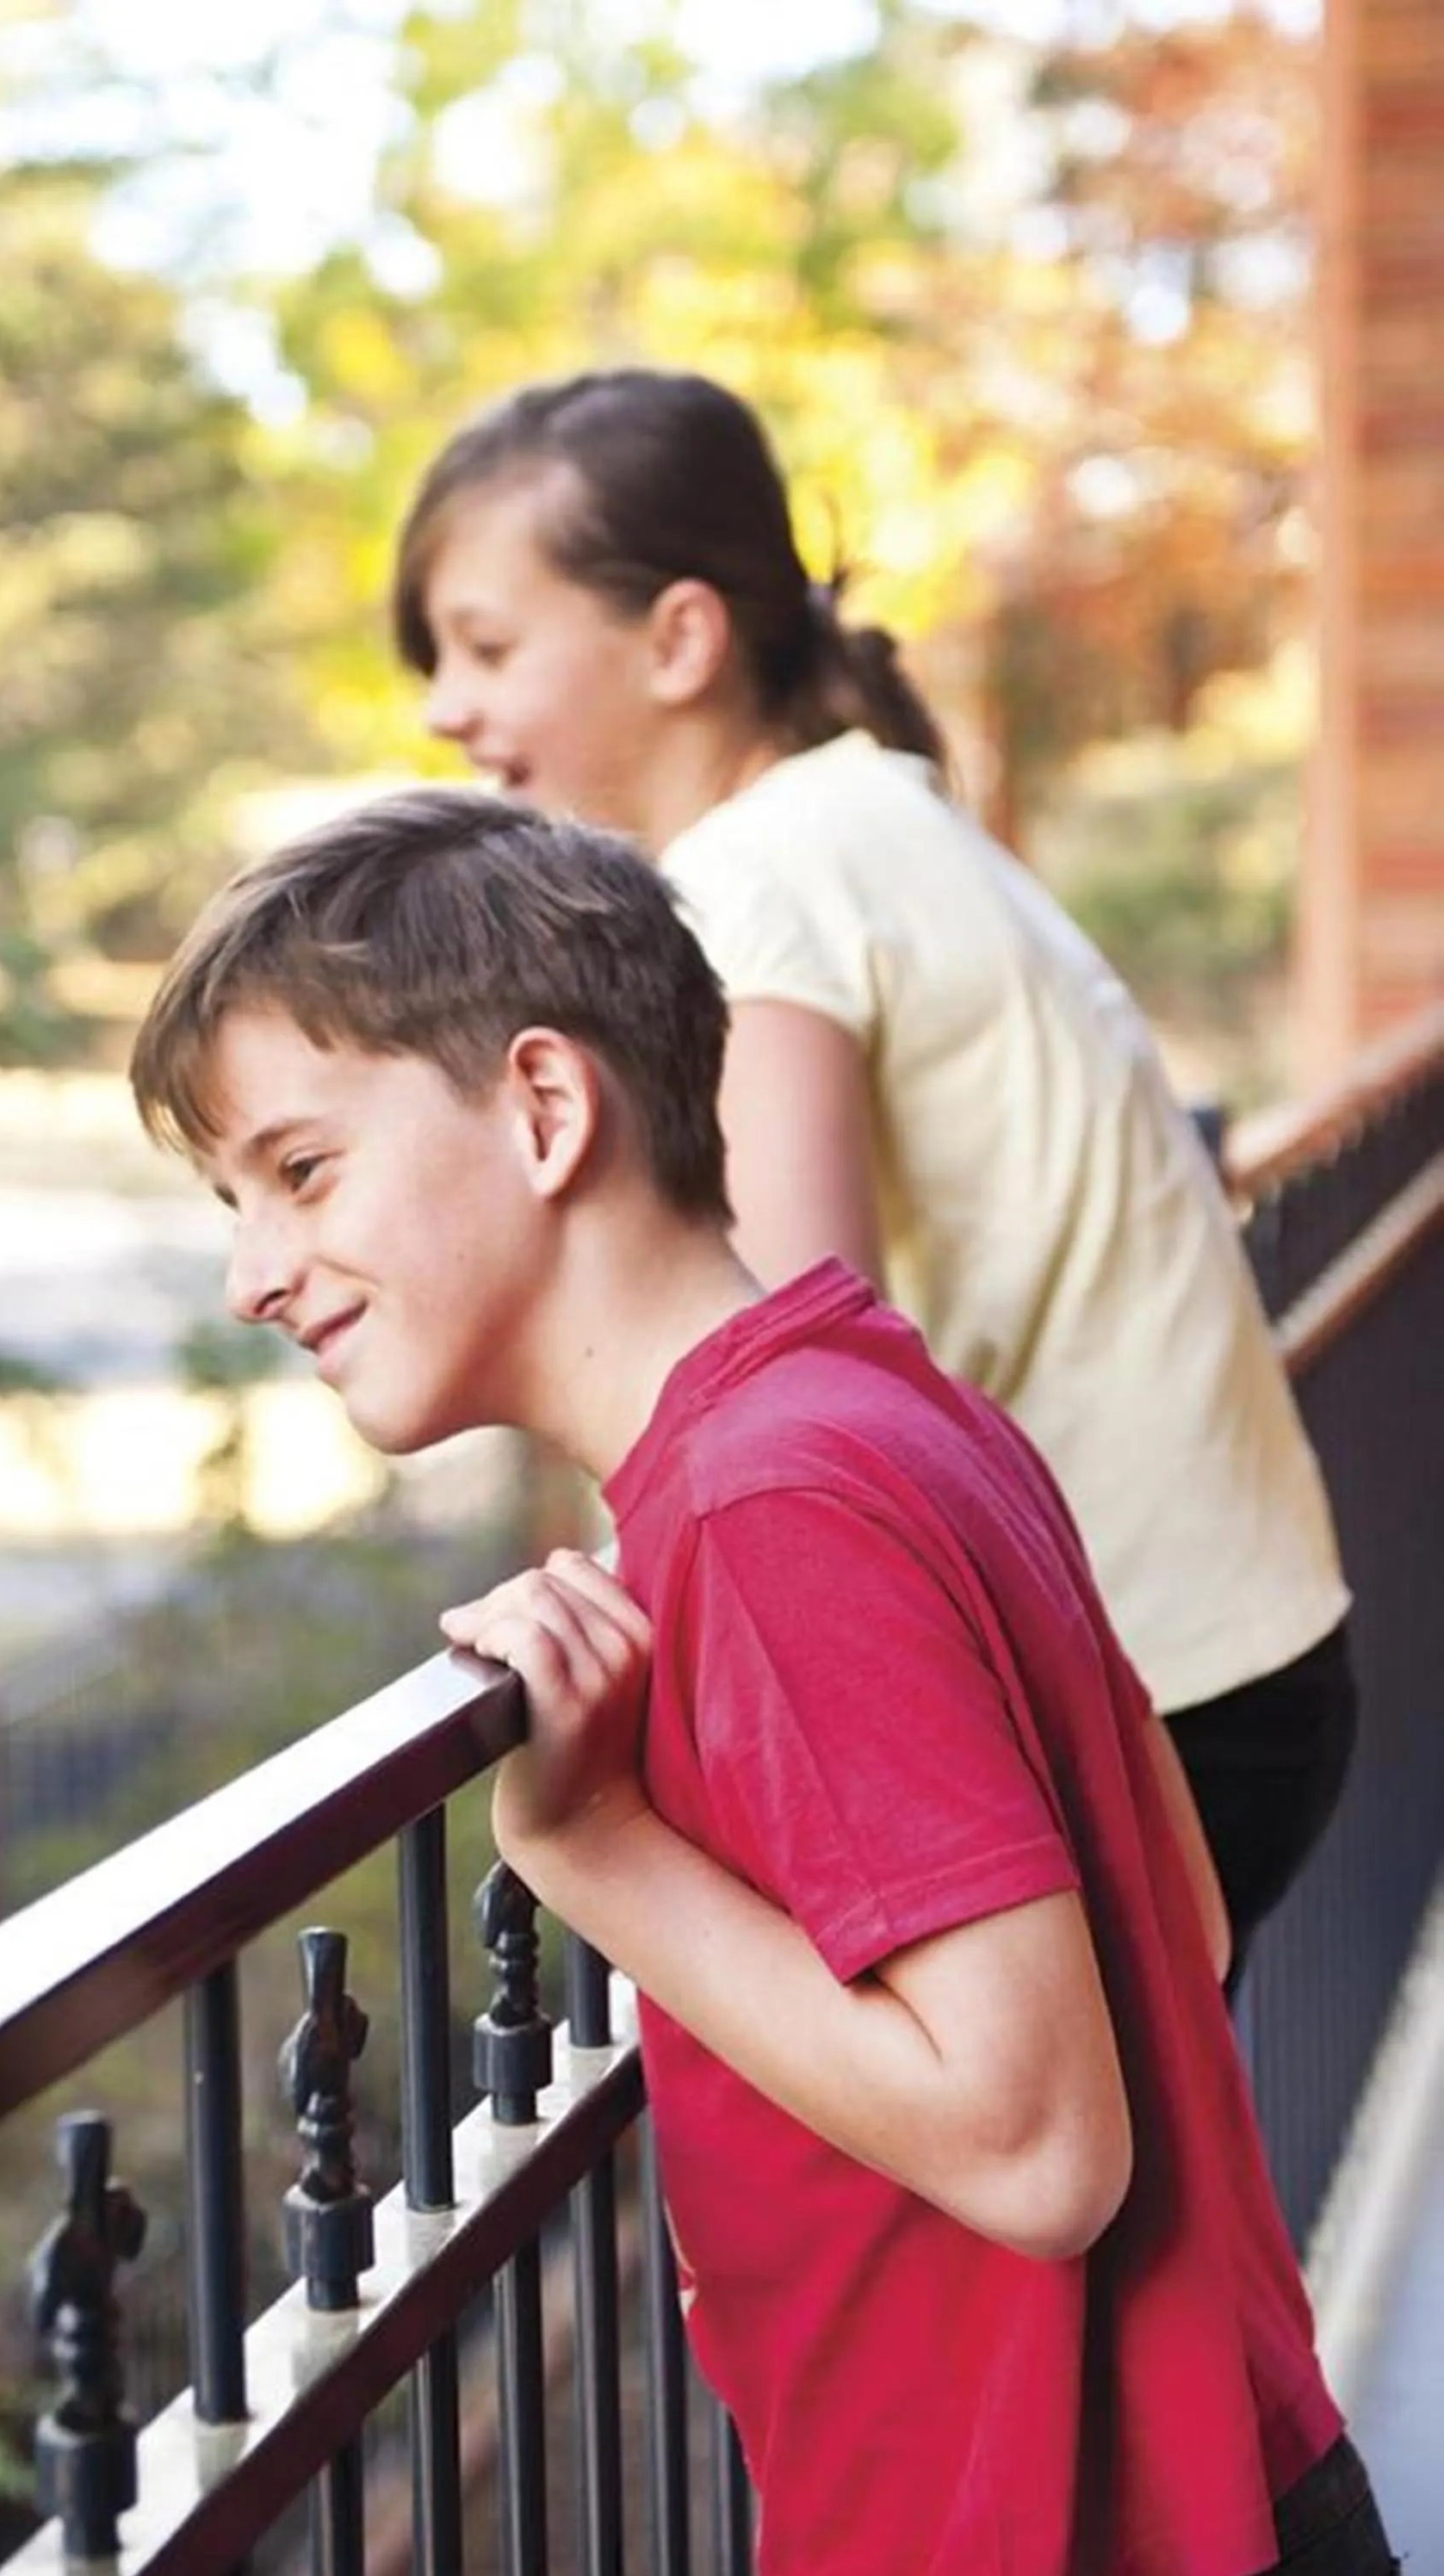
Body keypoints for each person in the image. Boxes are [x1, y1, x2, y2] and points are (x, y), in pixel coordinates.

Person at [130, 786, 1395, 2576]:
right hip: (1222, 2488)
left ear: (547, 1109)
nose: (252, 1273)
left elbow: (1042, 2153)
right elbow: (1172, 1917)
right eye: (228, 1202)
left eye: (300, 1171)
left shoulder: (763, 1504)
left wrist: (596, 1851)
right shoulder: (874, 1395)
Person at [391, 366, 1356, 1981]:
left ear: (681, 641)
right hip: (1226, 1650)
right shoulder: (867, 816)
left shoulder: (757, 878)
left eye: (488, 647)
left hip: (1149, 1691)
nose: (443, 709)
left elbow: (779, 1359)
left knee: (1030, 2209)